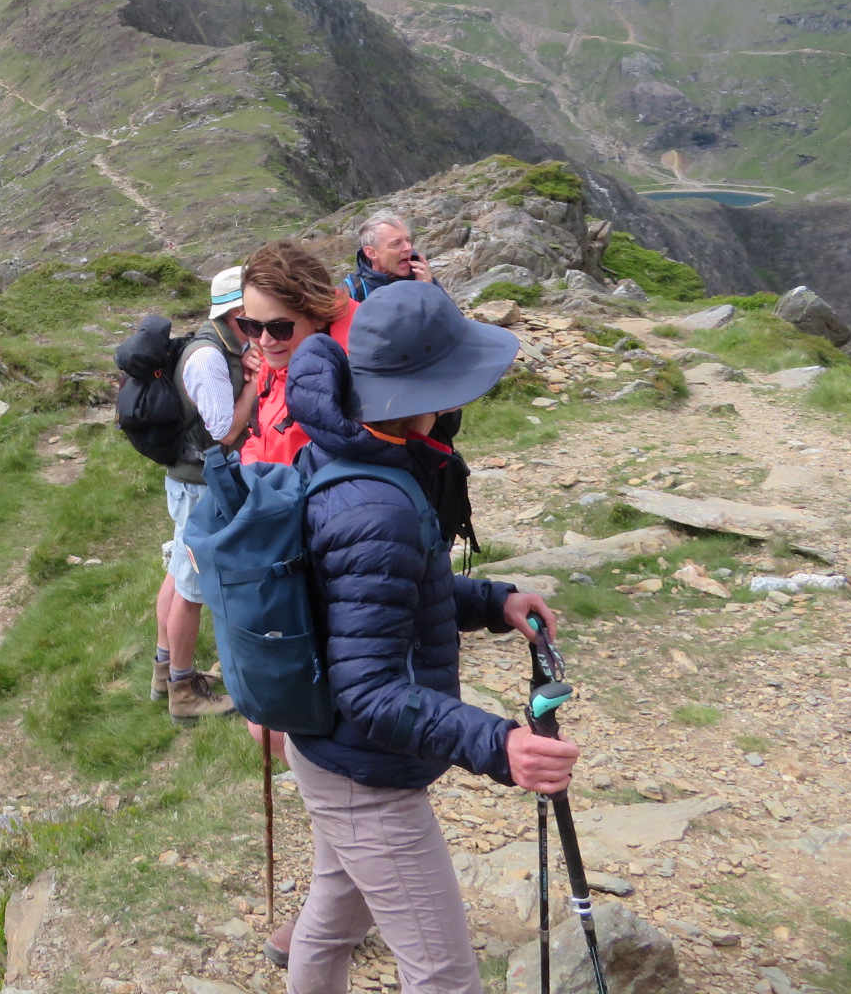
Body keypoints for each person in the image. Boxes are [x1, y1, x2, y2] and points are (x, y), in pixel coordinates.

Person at [261, 280, 578, 993]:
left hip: (324, 750)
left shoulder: (342, 446)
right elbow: (371, 690)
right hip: (366, 774)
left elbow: (376, 590)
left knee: (333, 919)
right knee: (442, 972)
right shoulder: (381, 504)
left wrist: (494, 603)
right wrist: (500, 744)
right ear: (423, 394)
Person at [154, 266, 252, 722]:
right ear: (237, 311)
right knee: (192, 590)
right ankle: (184, 691)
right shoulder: (209, 358)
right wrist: (254, 384)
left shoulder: (223, 343)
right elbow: (225, 431)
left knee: (177, 576)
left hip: (190, 481)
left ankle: (163, 672)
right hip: (198, 488)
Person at [236, 241, 355, 467]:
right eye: (251, 326)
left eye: (279, 328)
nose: (264, 341)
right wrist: (250, 476)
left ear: (318, 316)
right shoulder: (271, 367)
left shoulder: (349, 385)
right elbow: (258, 436)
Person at [344, 211, 432, 303]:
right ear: (372, 253)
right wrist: (421, 294)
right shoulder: (351, 292)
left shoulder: (422, 277)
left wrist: (428, 289)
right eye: (396, 243)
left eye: (408, 240)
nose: (408, 248)